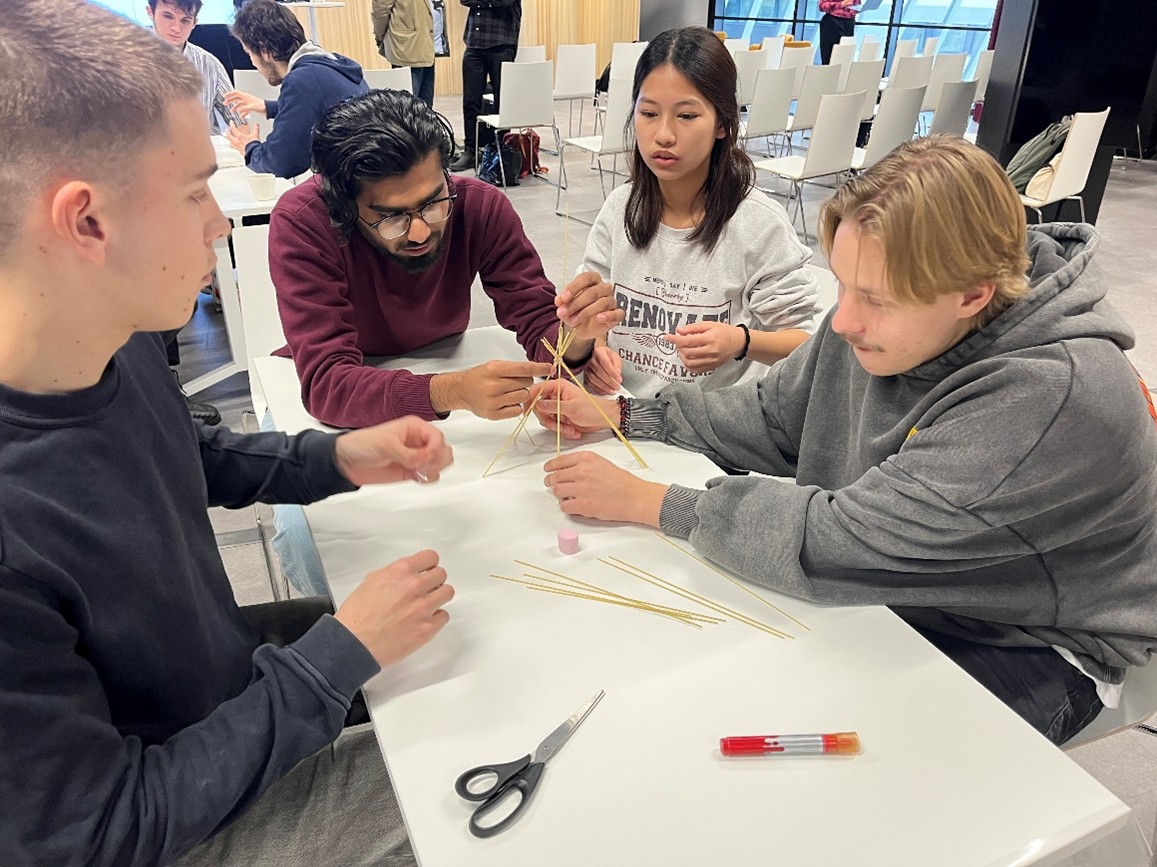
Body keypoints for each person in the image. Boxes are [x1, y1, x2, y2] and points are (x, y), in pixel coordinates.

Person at [0, 3, 456, 865]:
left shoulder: (114, 337)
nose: (218, 220)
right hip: (169, 820)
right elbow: (100, 832)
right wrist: (336, 658)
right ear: (86, 222)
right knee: (468, 764)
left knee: (460, 632)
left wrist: (337, 456)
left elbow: (182, 450)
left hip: (211, 679)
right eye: (193, 191)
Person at [529, 136, 1157, 747]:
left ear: (973, 294)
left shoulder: (1048, 397)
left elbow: (845, 539)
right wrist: (627, 414)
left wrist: (653, 502)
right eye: (844, 284)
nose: (845, 319)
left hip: (1027, 636)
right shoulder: (893, 320)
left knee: (843, 767)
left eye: (876, 299)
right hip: (912, 578)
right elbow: (775, 416)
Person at [266, 88, 620, 595]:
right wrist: (451, 391)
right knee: (320, 545)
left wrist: (577, 337)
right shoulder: (304, 221)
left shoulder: (478, 206)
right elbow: (328, 384)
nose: (419, 232)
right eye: (391, 216)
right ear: (344, 204)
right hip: (337, 404)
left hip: (437, 372)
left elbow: (541, 330)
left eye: (434, 202)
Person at [581, 27, 819, 399]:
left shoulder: (757, 224)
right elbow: (593, 313)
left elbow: (808, 344)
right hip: (623, 412)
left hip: (711, 423)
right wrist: (595, 349)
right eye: (648, 113)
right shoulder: (620, 209)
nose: (663, 134)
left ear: (722, 123)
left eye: (687, 115)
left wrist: (742, 342)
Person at [222, 0, 369, 178]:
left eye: (249, 53)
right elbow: (321, 107)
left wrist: (250, 148)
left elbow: (282, 162)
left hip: (354, 185)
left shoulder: (302, 80)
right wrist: (270, 107)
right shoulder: (331, 65)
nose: (252, 62)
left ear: (264, 49)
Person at [449, 0, 521, 171]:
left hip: (501, 44)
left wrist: (480, 3)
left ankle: (501, 151)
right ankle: (471, 150)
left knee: (502, 102)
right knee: (470, 101)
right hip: (474, 44)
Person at [146, 0, 234, 134]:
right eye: (168, 16)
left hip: (201, 145)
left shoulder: (210, 64)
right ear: (150, 12)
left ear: (194, 23)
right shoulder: (125, 63)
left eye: (185, 20)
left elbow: (239, 120)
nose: (176, 28)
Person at [372, 0, 437, 108]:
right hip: (406, 48)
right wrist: (380, 36)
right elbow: (380, 10)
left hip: (428, 44)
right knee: (408, 107)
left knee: (425, 108)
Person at [818, 0, 858, 65]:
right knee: (830, 59)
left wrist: (856, 8)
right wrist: (841, 4)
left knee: (846, 59)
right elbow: (822, 6)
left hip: (849, 23)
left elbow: (856, 4)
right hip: (832, 22)